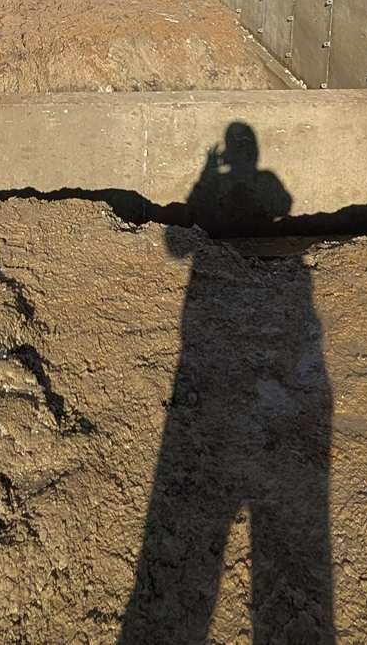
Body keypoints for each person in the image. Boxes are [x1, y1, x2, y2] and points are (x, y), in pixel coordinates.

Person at [120, 123, 334, 643]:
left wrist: (204, 179)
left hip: (207, 336)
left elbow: (174, 246)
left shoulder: (257, 181)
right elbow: (276, 202)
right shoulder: (269, 182)